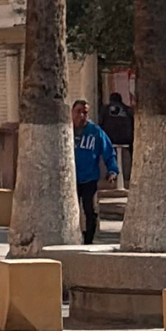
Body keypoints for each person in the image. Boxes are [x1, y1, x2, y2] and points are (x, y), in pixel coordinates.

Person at [71, 99, 119, 241]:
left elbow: (108, 152)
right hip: (71, 179)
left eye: (84, 112)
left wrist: (112, 170)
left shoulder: (95, 132)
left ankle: (89, 238)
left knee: (89, 210)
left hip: (89, 178)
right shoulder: (66, 130)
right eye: (78, 112)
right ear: (72, 113)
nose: (81, 116)